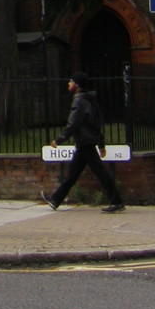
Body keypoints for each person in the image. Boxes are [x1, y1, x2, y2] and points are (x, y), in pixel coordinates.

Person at [41, 73, 125, 213]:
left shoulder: (79, 101)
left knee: (100, 173)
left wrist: (59, 140)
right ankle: (55, 199)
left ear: (77, 85)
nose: (68, 83)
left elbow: (73, 124)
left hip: (85, 142)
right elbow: (96, 124)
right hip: (85, 142)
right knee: (72, 174)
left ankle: (117, 201)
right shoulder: (89, 100)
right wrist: (101, 143)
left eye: (71, 81)